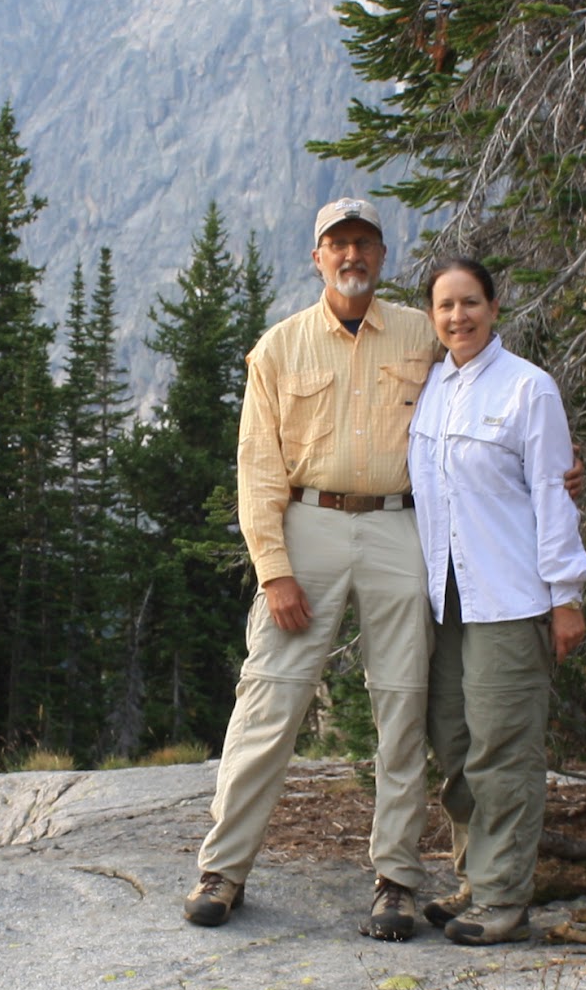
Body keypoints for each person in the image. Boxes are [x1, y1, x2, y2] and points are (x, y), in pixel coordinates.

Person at [183, 196, 440, 940]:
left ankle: (397, 879)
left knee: (403, 702)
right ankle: (223, 869)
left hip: (402, 525)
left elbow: (485, 406)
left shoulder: (422, 335)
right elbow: (257, 467)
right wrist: (274, 569)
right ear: (318, 256)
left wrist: (552, 466)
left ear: (382, 255)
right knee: (269, 699)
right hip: (309, 527)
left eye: (364, 242)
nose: (352, 255)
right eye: (338, 244)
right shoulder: (280, 348)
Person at [409, 256, 586, 946]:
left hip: (510, 597)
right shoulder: (431, 390)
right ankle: (475, 877)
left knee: (504, 749)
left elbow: (552, 492)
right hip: (445, 598)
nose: (457, 316)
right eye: (445, 306)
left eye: (469, 303)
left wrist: (566, 595)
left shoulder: (529, 390)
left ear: (494, 305)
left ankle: (506, 898)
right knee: (455, 745)